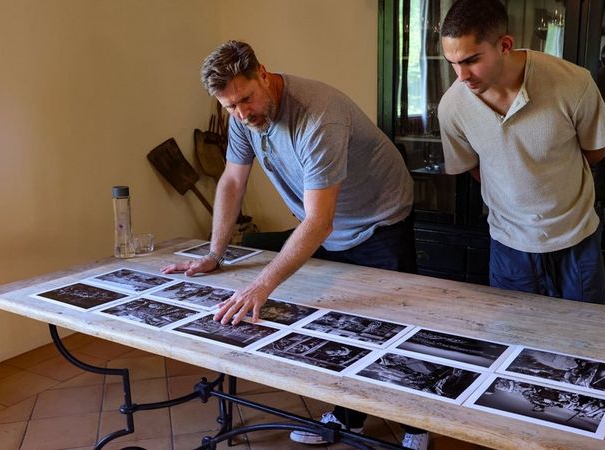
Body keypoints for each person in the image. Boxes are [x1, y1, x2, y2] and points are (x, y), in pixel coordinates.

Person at [161, 41, 428, 449]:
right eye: (230, 106)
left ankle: (417, 424)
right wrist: (215, 254)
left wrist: (260, 286)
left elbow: (319, 221)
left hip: (380, 219)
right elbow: (232, 181)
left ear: (263, 74)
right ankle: (347, 416)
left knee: (391, 328)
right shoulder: (240, 114)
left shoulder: (318, 116)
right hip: (326, 225)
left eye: (246, 99)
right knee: (332, 325)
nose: (241, 113)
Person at [438, 0, 605, 303]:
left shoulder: (573, 82)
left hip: (576, 237)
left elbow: (595, 151)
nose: (461, 75)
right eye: (452, 62)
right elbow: (474, 168)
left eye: (471, 60)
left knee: (584, 336)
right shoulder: (452, 107)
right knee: (514, 337)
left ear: (505, 45)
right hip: (509, 243)